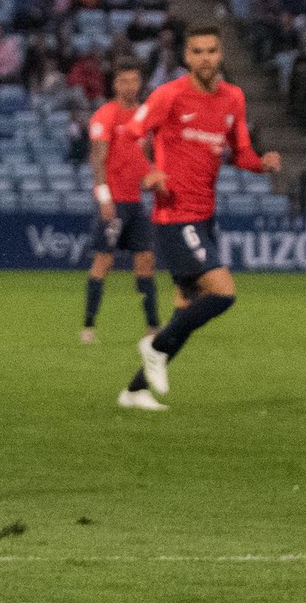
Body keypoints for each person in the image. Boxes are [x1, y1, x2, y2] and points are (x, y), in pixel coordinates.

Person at [117, 27, 281, 410]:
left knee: (186, 311)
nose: (206, 57)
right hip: (174, 215)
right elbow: (130, 135)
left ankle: (136, 391)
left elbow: (239, 152)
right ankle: (153, 346)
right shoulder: (170, 95)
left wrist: (261, 164)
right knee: (223, 292)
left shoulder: (233, 98)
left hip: (204, 216)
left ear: (220, 54)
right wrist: (147, 172)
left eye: (212, 50)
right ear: (186, 57)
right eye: (197, 51)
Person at [82, 59, 159, 346]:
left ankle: (153, 328)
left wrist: (153, 177)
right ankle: (88, 326)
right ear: (115, 84)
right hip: (113, 201)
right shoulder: (105, 115)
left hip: (135, 201)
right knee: (103, 261)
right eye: (124, 81)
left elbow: (141, 157)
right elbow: (98, 159)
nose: (130, 86)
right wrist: (103, 196)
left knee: (146, 261)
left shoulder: (143, 116)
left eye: (134, 81)